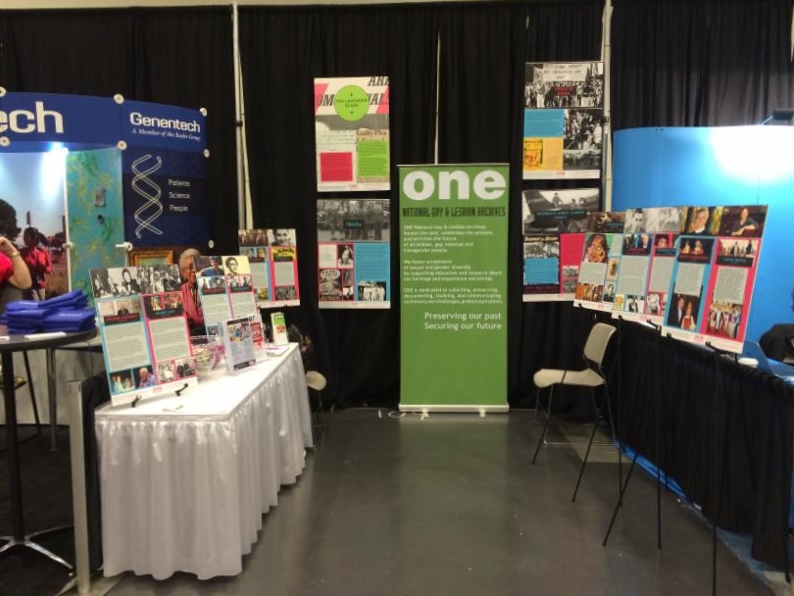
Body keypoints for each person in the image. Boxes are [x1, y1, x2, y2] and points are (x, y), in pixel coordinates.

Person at [19, 227, 52, 301]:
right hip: (28, 285)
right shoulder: (21, 252)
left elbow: (50, 269)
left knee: (42, 304)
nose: (24, 238)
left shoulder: (43, 252)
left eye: (26, 236)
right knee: (35, 304)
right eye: (24, 236)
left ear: (33, 238)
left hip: (40, 285)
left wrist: (44, 268)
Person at [179, 248, 205, 335]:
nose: (194, 270)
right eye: (190, 267)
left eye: (196, 266)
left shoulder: (209, 286)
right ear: (183, 273)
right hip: (191, 336)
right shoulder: (180, 291)